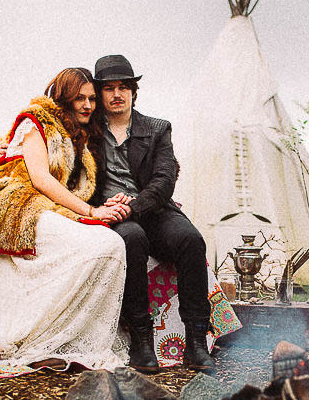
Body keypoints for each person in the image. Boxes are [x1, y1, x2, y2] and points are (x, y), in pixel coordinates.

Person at [0, 67, 132, 369]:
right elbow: (40, 178)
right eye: (79, 98)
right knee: (104, 243)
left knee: (110, 244)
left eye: (92, 98)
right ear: (64, 97)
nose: (88, 105)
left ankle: (72, 339)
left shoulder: (79, 136)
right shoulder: (35, 121)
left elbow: (77, 185)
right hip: (17, 205)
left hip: (49, 206)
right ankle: (37, 338)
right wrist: (91, 212)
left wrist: (109, 203)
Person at [90, 54, 216, 373]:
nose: (117, 94)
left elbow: (164, 180)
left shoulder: (158, 129)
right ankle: (142, 340)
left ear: (134, 91)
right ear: (99, 93)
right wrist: (106, 210)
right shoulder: (87, 133)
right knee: (131, 238)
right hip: (110, 216)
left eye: (124, 87)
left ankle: (196, 341)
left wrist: (132, 206)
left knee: (190, 240)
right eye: (109, 88)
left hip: (151, 208)